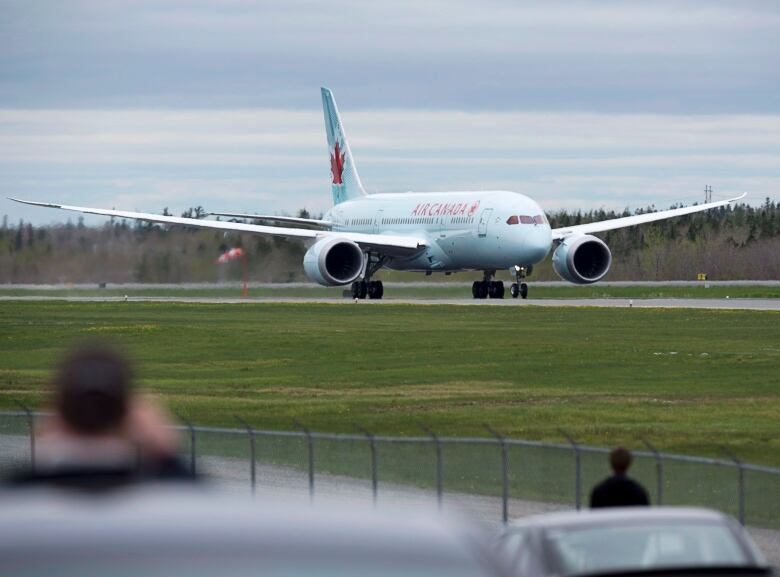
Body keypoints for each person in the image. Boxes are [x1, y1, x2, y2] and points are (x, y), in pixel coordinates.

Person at [9, 343, 193, 490]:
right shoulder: (169, 500)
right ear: (127, 412)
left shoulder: (16, 503)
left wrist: (41, 450)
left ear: (59, 415)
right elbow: (193, 492)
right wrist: (168, 457)